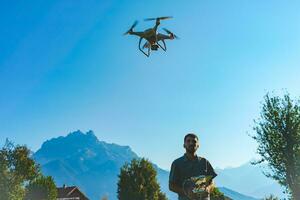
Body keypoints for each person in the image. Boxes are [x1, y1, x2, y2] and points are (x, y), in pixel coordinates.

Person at [169, 133, 217, 200]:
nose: (191, 143)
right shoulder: (177, 163)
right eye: (188, 141)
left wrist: (208, 188)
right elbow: (171, 186)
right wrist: (187, 193)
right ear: (184, 145)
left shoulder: (204, 162)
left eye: (194, 141)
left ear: (198, 145)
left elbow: (212, 181)